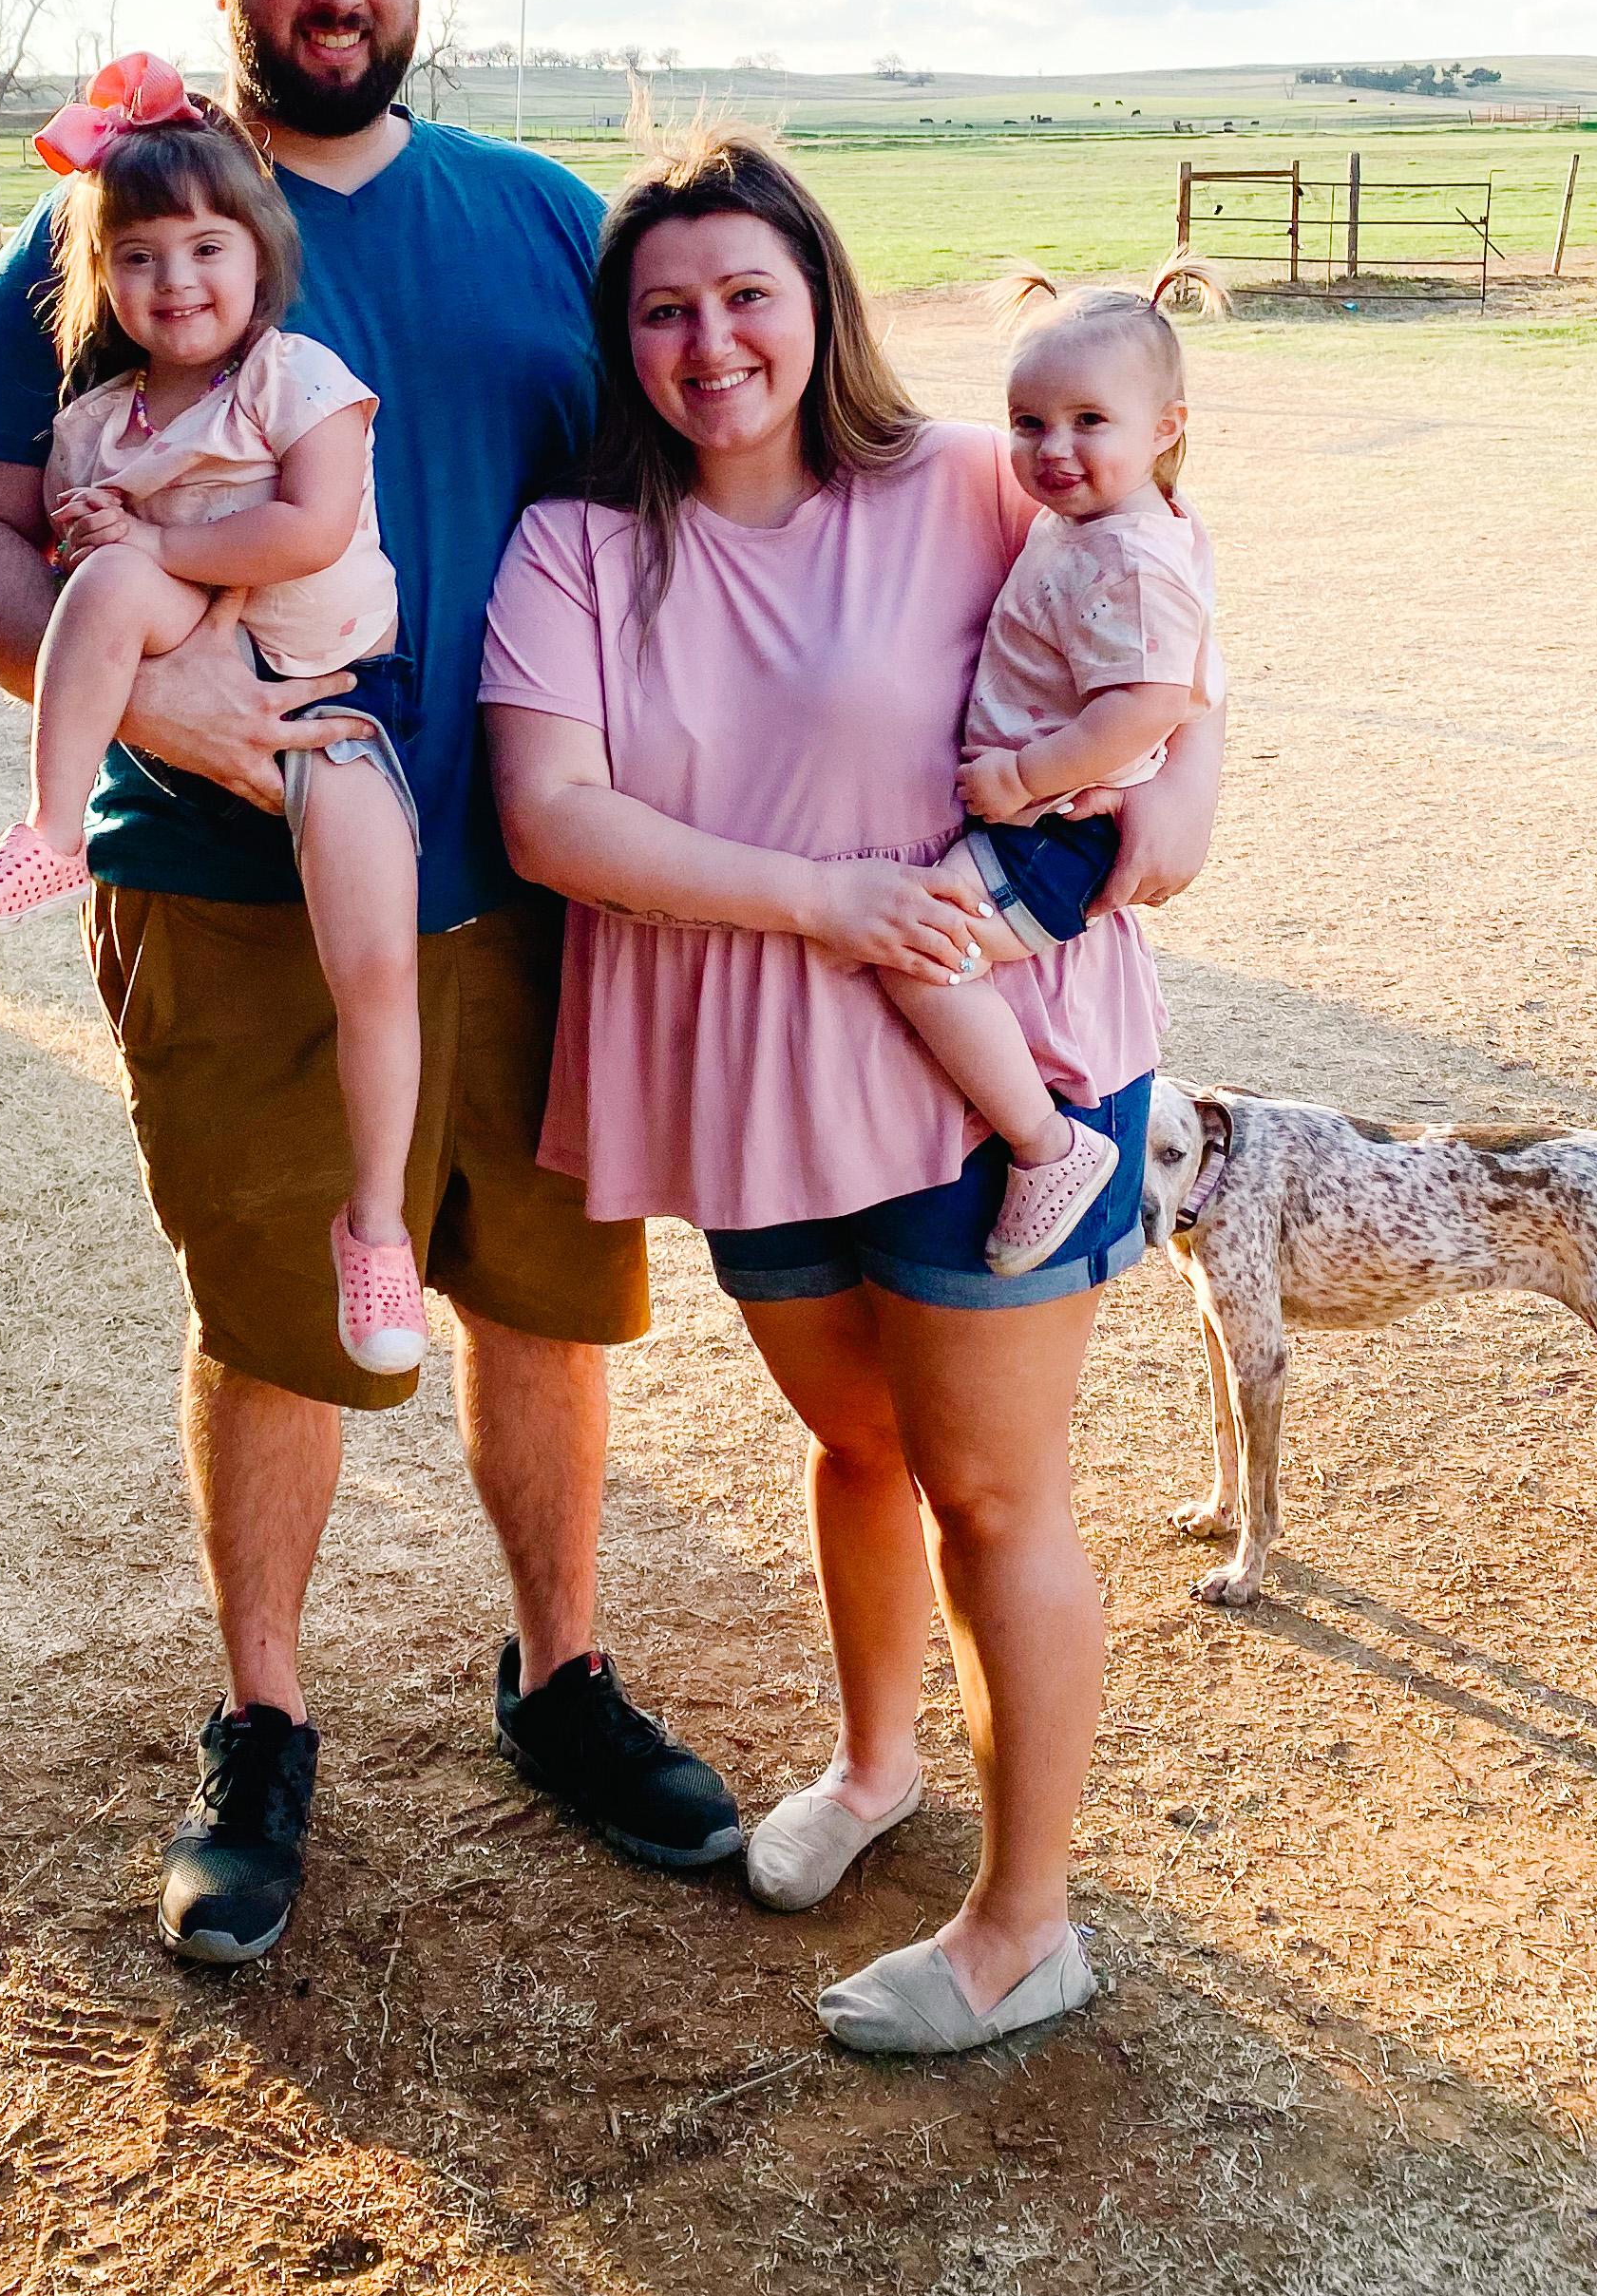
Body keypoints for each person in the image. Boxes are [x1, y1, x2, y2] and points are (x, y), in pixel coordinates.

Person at [0, 0, 739, 1971]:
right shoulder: (131, 214)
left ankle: (560, 1674)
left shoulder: (543, 222)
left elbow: (714, 477)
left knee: (545, 1296)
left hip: (530, 877)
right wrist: (159, 708)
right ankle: (262, 1724)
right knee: (276, 1308)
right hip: (225, 883)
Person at [482, 135, 1222, 2057]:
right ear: (622, 337)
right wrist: (823, 900)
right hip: (753, 1078)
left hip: (998, 1065)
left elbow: (1167, 601)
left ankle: (1023, 1926)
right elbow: (554, 819)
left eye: (749, 293)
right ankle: (880, 1761)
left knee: (991, 1487)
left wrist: (1188, 783)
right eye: (665, 308)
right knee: (859, 1446)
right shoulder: (576, 547)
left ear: (819, 299)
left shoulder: (967, 480)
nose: (710, 340)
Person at [0, 65, 429, 1377]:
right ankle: (51, 834)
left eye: (206, 247)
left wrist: (149, 535)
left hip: (331, 701)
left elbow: (309, 526)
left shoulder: (297, 381)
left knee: (374, 965)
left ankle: (375, 1230)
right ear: (99, 279)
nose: (176, 279)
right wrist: (104, 530)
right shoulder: (96, 422)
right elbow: (64, 551)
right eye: (137, 255)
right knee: (101, 585)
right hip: (191, 689)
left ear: (260, 257)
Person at [871, 279, 1219, 1277]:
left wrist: (1023, 778)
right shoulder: (1100, 527)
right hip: (1053, 813)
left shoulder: (1132, 558)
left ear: (1165, 428)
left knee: (921, 952)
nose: (1052, 448)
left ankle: (1046, 1145)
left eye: (1089, 422)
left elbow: (1150, 702)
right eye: (1028, 423)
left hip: (1059, 828)